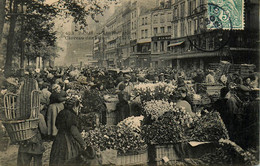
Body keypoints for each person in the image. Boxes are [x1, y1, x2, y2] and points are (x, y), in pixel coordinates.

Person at [49, 97, 90, 165]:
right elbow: (74, 132)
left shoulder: (61, 113)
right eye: (78, 107)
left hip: (58, 139)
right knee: (69, 159)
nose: (78, 110)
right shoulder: (71, 115)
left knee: (57, 160)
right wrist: (83, 144)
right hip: (67, 141)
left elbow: (57, 125)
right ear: (74, 107)